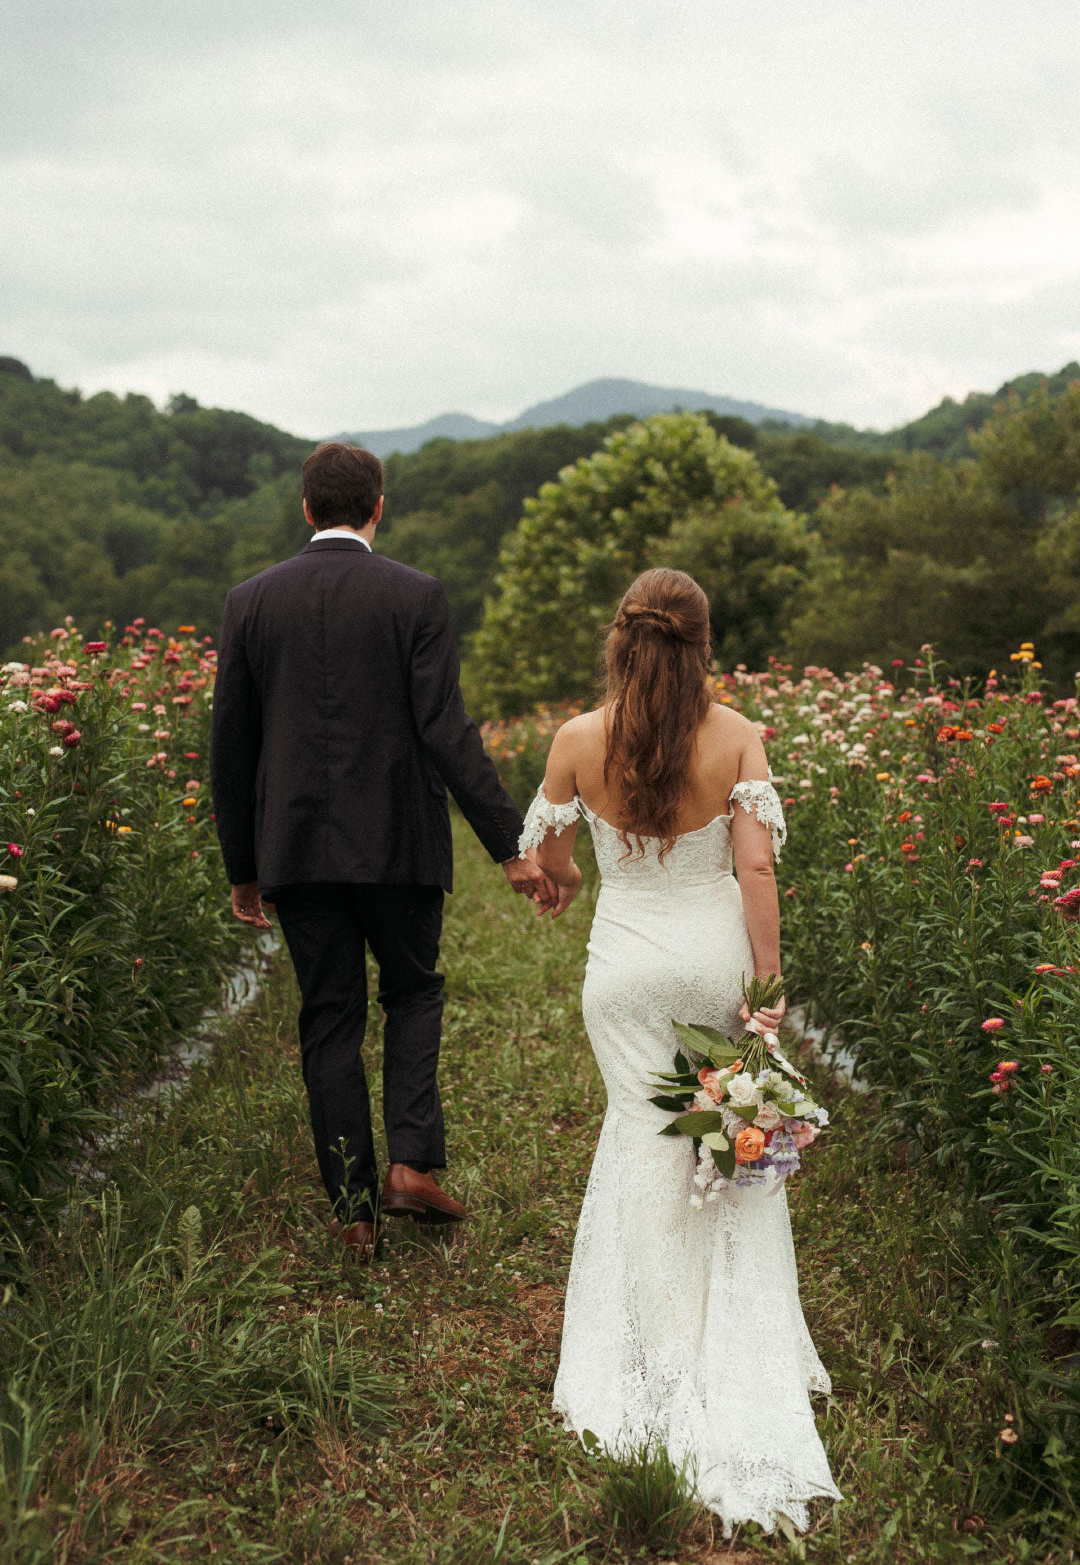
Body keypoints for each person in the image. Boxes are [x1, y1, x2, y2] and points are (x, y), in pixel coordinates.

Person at [519, 567, 841, 1536]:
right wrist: (768, 983)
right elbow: (753, 864)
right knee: (725, 1142)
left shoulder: (578, 738)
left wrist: (567, 882)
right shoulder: (737, 733)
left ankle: (643, 1352)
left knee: (639, 1137)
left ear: (621, 638)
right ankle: (730, 1340)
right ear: (703, 643)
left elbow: (550, 856)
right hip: (709, 964)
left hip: (621, 971)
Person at [210, 442, 555, 1256]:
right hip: (399, 842)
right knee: (413, 993)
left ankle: (353, 1209)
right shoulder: (416, 596)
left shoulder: (250, 602)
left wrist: (243, 866)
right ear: (378, 506)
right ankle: (411, 1166)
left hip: (293, 847)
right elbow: (447, 732)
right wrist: (509, 845)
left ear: (304, 508)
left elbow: (231, 747)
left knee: (328, 1018)